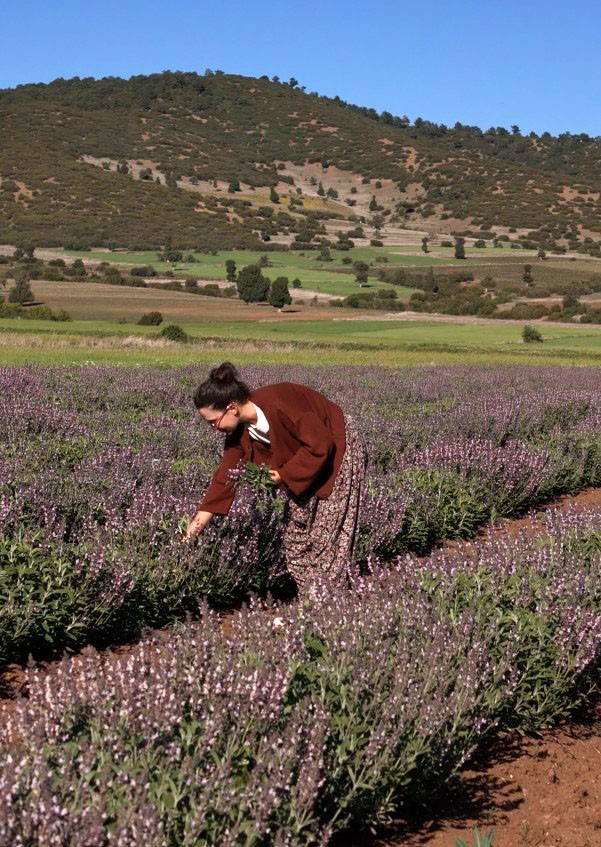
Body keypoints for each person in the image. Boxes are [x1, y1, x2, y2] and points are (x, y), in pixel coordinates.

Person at [184, 362, 367, 589]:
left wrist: (282, 475)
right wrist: (193, 530)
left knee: (327, 542)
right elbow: (224, 477)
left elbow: (320, 445)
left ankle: (328, 608)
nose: (214, 429)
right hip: (304, 463)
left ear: (231, 408)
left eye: (214, 422)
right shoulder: (238, 432)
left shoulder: (280, 401)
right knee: (296, 545)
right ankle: (316, 600)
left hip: (339, 448)